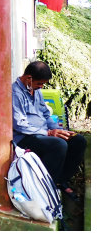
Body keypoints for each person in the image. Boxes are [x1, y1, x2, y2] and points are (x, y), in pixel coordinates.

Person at [12, 61, 86, 200]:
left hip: (43, 133)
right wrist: (48, 133)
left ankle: (60, 180)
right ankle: (44, 187)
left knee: (78, 140)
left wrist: (59, 130)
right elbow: (20, 125)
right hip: (25, 137)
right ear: (29, 78)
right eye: (39, 83)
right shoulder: (15, 93)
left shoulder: (36, 91)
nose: (41, 87)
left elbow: (46, 114)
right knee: (58, 145)